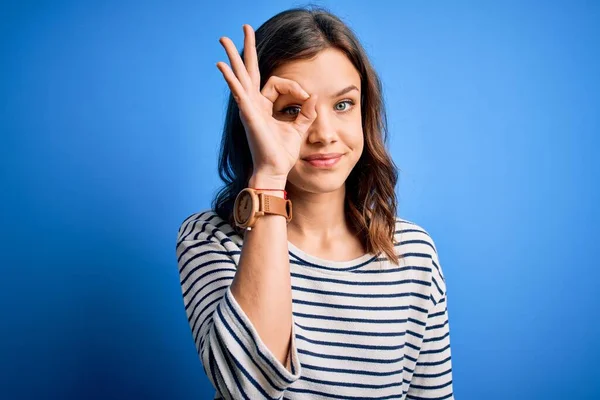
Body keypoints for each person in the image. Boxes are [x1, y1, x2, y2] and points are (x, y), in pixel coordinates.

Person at [175, 6, 453, 400]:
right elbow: (247, 387)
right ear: (253, 120)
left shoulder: (414, 254)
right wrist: (270, 177)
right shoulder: (211, 238)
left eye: (343, 105)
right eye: (291, 110)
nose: (323, 133)